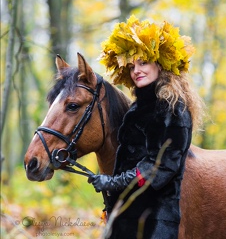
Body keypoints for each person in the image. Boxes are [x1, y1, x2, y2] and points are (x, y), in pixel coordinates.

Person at [88, 15, 205, 239]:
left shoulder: (172, 108)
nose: (136, 71)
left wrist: (113, 182)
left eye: (143, 63)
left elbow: (160, 168)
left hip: (155, 220)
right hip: (127, 213)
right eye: (131, 66)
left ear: (159, 64)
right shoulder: (141, 106)